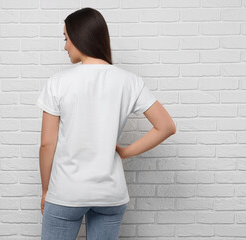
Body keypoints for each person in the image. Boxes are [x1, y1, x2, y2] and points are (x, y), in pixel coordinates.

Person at [35, 7, 176, 240]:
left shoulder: (58, 82)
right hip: (110, 194)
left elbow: (47, 145)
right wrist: (125, 153)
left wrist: (45, 190)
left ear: (80, 37)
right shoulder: (129, 81)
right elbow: (166, 126)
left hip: (66, 192)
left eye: (66, 38)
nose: (65, 46)